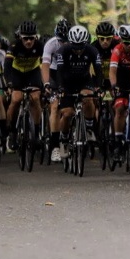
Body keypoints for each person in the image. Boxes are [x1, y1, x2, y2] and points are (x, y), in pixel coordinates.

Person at [55, 25, 102, 160]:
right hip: (67, 83)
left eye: (81, 46)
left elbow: (98, 71)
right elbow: (59, 72)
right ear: (70, 43)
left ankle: (88, 128)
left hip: (84, 80)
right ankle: (63, 140)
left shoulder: (92, 50)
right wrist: (60, 89)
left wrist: (98, 87)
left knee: (88, 98)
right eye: (75, 47)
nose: (78, 50)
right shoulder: (63, 51)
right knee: (68, 113)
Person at [5, 20, 45, 150]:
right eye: (25, 38)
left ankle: (37, 132)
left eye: (31, 38)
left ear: (35, 37)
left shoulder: (40, 46)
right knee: (16, 99)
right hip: (17, 74)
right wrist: (9, 84)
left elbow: (45, 65)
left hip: (32, 73)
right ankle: (11, 131)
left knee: (35, 98)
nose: (28, 41)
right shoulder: (14, 46)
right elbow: (7, 66)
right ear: (20, 37)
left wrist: (45, 83)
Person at [108, 24, 130, 158]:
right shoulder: (117, 50)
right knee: (119, 108)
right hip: (121, 81)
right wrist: (114, 85)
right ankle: (118, 140)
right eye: (126, 42)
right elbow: (112, 71)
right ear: (121, 41)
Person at [42, 19, 70, 162]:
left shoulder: (74, 42)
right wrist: (46, 83)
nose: (64, 43)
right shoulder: (51, 44)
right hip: (53, 73)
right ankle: (54, 147)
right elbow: (45, 65)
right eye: (61, 40)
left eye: (67, 41)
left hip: (68, 74)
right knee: (55, 106)